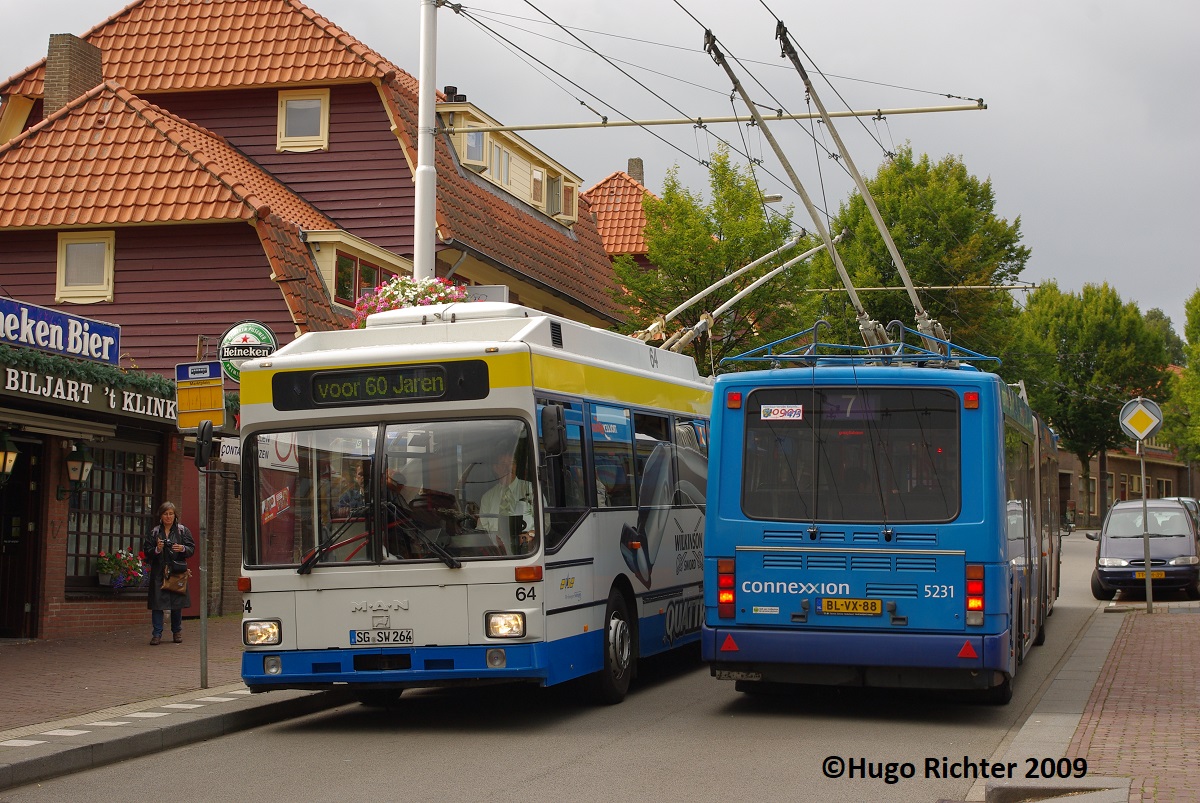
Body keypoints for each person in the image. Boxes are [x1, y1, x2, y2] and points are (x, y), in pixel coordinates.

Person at [141, 501, 196, 646]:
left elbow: (191, 548)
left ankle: (176, 631)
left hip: (176, 570)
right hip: (159, 571)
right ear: (161, 516)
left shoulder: (182, 531)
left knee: (176, 603)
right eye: (166, 514)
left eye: (171, 514)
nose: (168, 517)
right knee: (157, 604)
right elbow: (146, 551)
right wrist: (157, 549)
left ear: (175, 515)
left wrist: (182, 548)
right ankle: (157, 634)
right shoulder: (154, 532)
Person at [479, 451, 535, 550]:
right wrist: (492, 539)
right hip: (496, 551)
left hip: (528, 550)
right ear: (495, 468)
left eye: (512, 463)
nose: (508, 467)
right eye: (504, 464)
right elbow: (481, 529)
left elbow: (545, 521)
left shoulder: (531, 490)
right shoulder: (487, 497)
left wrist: (531, 535)